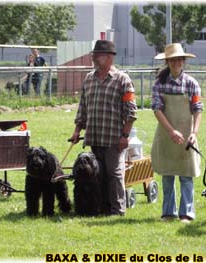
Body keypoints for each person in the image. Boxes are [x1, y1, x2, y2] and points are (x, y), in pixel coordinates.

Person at [70, 40, 137, 216]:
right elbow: (83, 107)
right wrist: (77, 130)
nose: (93, 58)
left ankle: (117, 210)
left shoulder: (122, 80)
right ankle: (101, 207)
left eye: (97, 55)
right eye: (93, 55)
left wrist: (125, 135)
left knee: (114, 174)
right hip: (95, 136)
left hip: (114, 138)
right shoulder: (89, 79)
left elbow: (131, 112)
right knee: (97, 174)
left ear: (109, 57)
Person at [151, 43, 203, 223]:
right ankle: (168, 212)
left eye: (179, 59)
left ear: (183, 61)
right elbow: (157, 109)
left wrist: (194, 133)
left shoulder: (192, 84)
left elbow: (197, 109)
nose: (176, 63)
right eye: (173, 60)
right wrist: (171, 131)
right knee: (168, 175)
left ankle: (187, 213)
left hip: (187, 135)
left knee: (186, 175)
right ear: (167, 62)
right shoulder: (159, 84)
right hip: (166, 135)